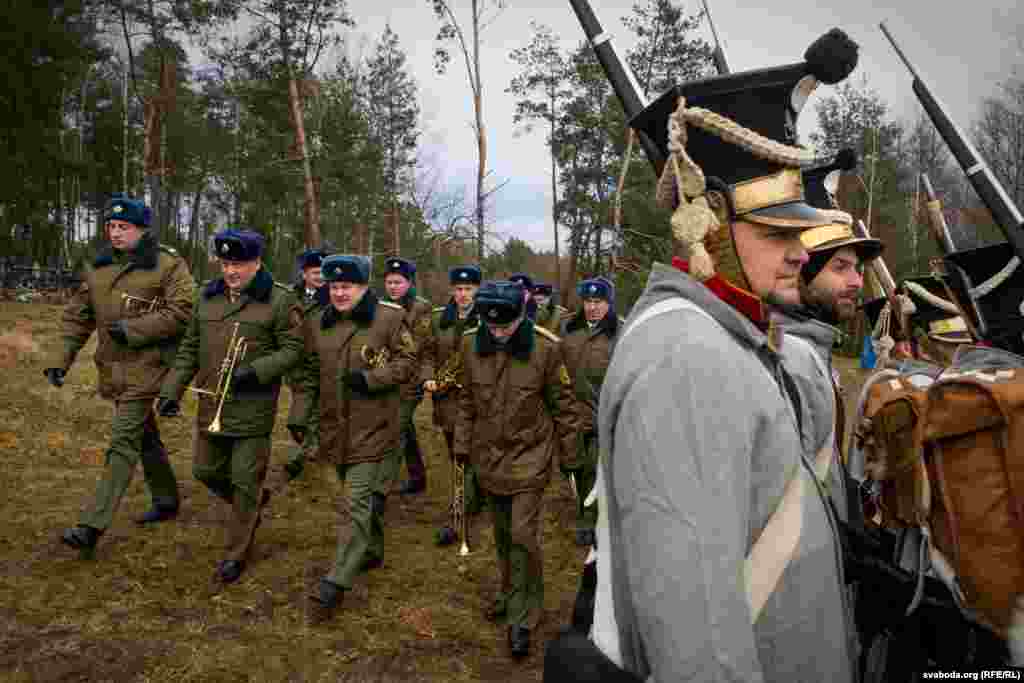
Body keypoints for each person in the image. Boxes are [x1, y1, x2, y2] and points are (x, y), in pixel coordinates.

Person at [559, 28, 860, 682]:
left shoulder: (724, 338)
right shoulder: (688, 359)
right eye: (777, 228)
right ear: (715, 221)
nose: (799, 251)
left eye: (800, 229)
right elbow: (702, 654)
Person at [49, 194, 195, 555]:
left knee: (122, 441)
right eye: (111, 226)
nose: (115, 233)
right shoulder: (98, 268)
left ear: (142, 231)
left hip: (150, 368)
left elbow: (184, 311)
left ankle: (91, 526)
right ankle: (166, 500)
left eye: (123, 227)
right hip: (113, 370)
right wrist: (60, 359)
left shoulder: (167, 265)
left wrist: (134, 330)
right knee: (144, 435)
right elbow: (78, 317)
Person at [158, 228, 303, 584]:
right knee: (205, 471)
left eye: (239, 263)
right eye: (225, 263)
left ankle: (236, 553)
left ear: (257, 263)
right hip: (211, 404)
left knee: (244, 479)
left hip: (252, 405)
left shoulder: (280, 300)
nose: (231, 271)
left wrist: (256, 370)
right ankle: (252, 504)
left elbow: (294, 349)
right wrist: (171, 391)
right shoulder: (207, 298)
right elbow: (190, 347)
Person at [454, 280, 581, 659]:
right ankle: (512, 594)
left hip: (531, 454)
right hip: (489, 456)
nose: (498, 332)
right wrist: (461, 445)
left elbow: (564, 406)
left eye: (505, 326)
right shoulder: (470, 344)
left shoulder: (546, 348)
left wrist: (571, 456)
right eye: (491, 327)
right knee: (504, 534)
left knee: (524, 534)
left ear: (520, 317)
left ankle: (525, 616)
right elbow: (466, 400)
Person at [294, 254, 415, 620]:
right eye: (334, 286)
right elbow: (310, 372)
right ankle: (372, 549)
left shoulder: (390, 318)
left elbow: (408, 362)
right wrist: (300, 416)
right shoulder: (318, 322)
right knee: (358, 499)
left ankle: (335, 583)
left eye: (347, 286)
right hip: (335, 429)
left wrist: (371, 379)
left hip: (375, 427)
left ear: (364, 287)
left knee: (353, 502)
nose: (340, 293)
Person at [420, 265, 484, 544]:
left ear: (477, 290)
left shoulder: (489, 318)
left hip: (476, 400)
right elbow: (427, 354)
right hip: (445, 400)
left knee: (465, 455)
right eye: (458, 289)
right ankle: (475, 495)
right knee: (455, 453)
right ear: (451, 290)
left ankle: (459, 516)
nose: (463, 294)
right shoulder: (438, 319)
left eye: (468, 289)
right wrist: (427, 378)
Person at [559, 276, 619, 547]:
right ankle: (587, 509)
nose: (592, 307)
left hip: (601, 416)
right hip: (570, 414)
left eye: (598, 302)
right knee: (574, 465)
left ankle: (588, 519)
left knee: (593, 470)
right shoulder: (568, 329)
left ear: (608, 303)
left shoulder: (620, 331)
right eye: (588, 302)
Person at [378, 256, 433, 496]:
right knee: (405, 428)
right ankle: (418, 477)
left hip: (410, 380)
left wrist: (420, 379)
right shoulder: (380, 306)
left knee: (395, 431)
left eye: (398, 282)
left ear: (409, 283)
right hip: (388, 377)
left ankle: (379, 488)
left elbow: (422, 347)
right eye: (389, 282)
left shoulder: (420, 308)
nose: (393, 287)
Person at [280, 248, 328, 484]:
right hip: (296, 365)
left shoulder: (334, 296)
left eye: (323, 272)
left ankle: (301, 455)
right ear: (304, 273)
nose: (320, 277)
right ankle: (313, 445)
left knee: (312, 413)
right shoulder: (290, 296)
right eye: (315, 272)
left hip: (323, 365)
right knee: (304, 414)